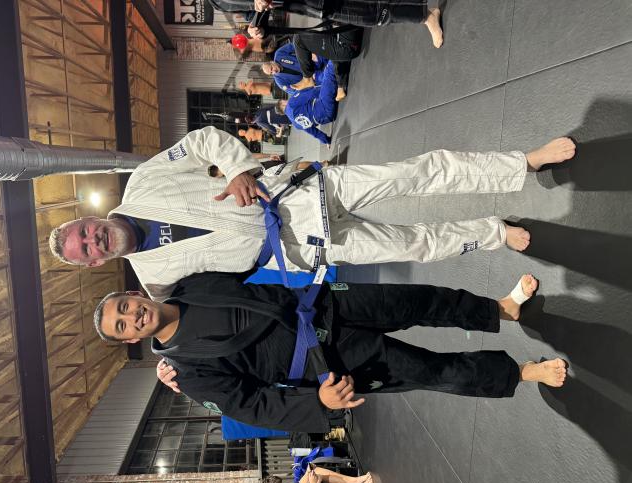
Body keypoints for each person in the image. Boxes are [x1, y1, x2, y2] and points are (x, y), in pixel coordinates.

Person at [48, 126, 576, 301]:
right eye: (88, 250)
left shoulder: (143, 182)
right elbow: (202, 313)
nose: (95, 240)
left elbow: (203, 140)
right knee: (411, 244)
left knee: (417, 173)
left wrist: (238, 169)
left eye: (86, 231)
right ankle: (493, 232)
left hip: (297, 193)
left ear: (86, 218)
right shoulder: (156, 282)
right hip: (299, 250)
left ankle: (523, 162)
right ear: (94, 264)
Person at [93, 271, 568, 433]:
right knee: (431, 370)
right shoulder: (188, 372)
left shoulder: (189, 286)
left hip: (323, 303)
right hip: (327, 362)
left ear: (134, 294)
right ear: (130, 340)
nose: (132, 317)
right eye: (122, 326)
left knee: (420, 299)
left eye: (124, 307)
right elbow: (249, 405)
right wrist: (315, 403)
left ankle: (499, 309)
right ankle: (521, 373)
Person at [209, 0, 443, 49]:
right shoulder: (219, 4)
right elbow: (255, 10)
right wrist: (257, 27)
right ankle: (423, 14)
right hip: (307, 6)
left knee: (371, 13)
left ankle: (424, 15)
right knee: (370, 15)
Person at [290, 28, 364, 101]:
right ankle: (340, 85)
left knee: (299, 39)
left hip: (347, 46)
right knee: (303, 37)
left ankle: (307, 78)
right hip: (350, 37)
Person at [278, 61, 340, 145]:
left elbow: (314, 132)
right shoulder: (291, 103)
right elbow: (311, 93)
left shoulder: (295, 124)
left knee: (329, 84)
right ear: (282, 104)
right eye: (284, 101)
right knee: (329, 69)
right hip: (325, 105)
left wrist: (326, 141)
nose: (286, 100)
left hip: (329, 118)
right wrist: (325, 86)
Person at [262, 42, 328, 95]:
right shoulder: (280, 81)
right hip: (312, 78)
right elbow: (295, 91)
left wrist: (310, 52)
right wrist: (308, 83)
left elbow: (296, 45)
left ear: (272, 62)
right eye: (271, 73)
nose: (274, 71)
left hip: (311, 61)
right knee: (325, 76)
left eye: (271, 68)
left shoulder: (279, 54)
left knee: (324, 52)